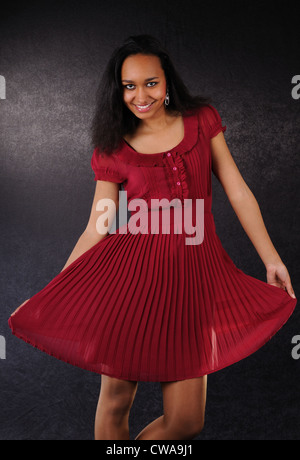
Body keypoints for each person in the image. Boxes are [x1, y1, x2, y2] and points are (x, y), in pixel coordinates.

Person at [9, 34, 297, 441]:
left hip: (191, 284)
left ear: (167, 84)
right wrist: (53, 293)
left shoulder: (202, 120)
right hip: (127, 282)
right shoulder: (112, 148)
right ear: (118, 90)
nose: (139, 95)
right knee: (114, 404)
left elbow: (237, 190)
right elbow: (98, 225)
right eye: (128, 86)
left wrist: (271, 259)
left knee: (186, 422)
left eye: (150, 83)